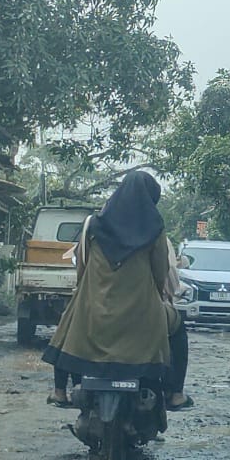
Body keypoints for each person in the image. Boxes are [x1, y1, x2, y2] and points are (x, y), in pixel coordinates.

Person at [42, 171, 192, 411]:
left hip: (96, 313)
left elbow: (82, 267)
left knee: (68, 324)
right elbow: (160, 273)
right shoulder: (155, 228)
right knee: (178, 328)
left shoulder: (92, 224)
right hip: (141, 316)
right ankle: (175, 394)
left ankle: (60, 391)